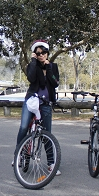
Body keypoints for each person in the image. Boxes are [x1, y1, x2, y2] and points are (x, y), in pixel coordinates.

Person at [14, 40, 60, 175]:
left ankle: (51, 163)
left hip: (46, 103)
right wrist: (33, 62)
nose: (41, 55)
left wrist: (49, 67)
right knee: (23, 127)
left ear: (47, 53)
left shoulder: (53, 66)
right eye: (38, 53)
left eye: (43, 52)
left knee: (47, 134)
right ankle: (18, 156)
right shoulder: (32, 66)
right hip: (31, 101)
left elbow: (55, 83)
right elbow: (31, 78)